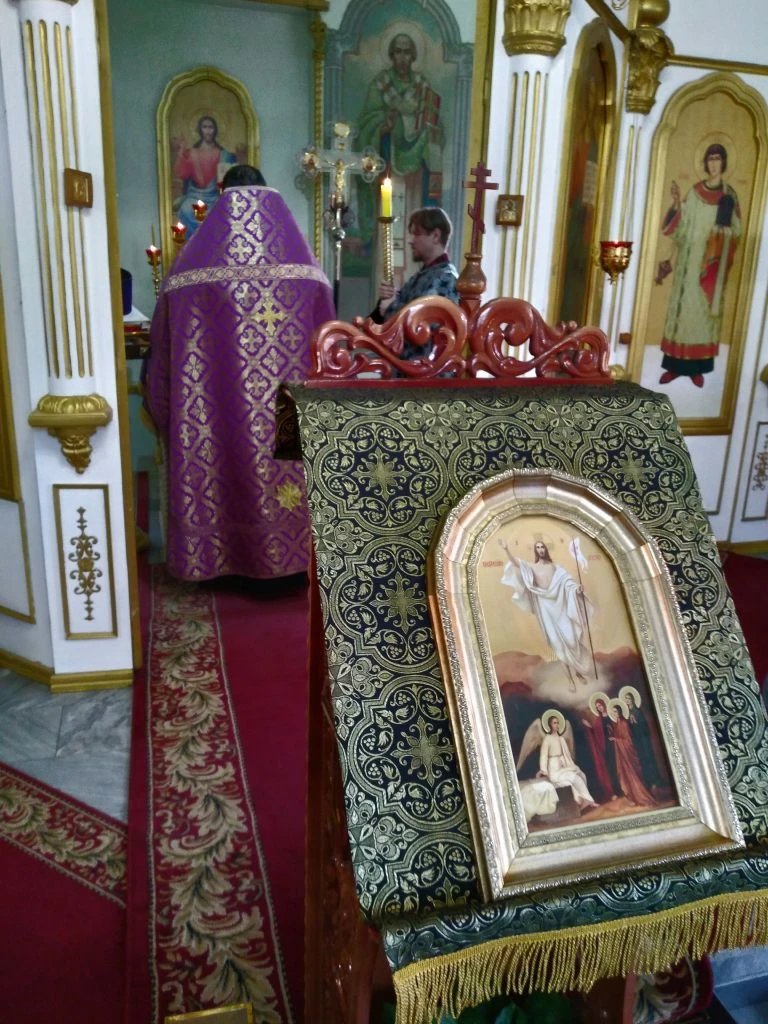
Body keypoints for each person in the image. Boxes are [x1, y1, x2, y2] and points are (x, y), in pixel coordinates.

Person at [144, 174, 335, 582]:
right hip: (290, 410)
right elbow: (332, 354)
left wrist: (162, 409)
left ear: (221, 197)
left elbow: (161, 364)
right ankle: (295, 559)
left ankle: (221, 558)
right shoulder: (308, 272)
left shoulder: (188, 274)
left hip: (218, 419)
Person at [658, 142, 742, 388]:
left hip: (711, 266)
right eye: (710, 159)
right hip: (688, 265)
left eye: (718, 159)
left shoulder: (729, 195)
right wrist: (676, 204)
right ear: (705, 163)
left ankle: (697, 369)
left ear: (723, 163)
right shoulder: (694, 193)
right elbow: (680, 228)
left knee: (703, 317)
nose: (714, 164)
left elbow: (737, 231)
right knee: (683, 313)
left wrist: (721, 233)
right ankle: (674, 367)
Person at [357, 32, 444, 223]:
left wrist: (429, 126)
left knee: (414, 207)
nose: (402, 57)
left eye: (407, 52)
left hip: (417, 168)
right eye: (398, 52)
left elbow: (435, 120)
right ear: (391, 55)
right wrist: (385, 125)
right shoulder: (381, 84)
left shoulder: (422, 85)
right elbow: (367, 122)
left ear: (413, 56)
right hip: (389, 156)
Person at [499, 538, 594, 690]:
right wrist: (506, 549)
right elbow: (517, 563)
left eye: (542, 547)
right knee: (558, 645)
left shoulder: (555, 567)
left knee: (571, 641)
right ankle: (570, 680)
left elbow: (568, 583)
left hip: (560, 607)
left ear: (546, 549)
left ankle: (578, 672)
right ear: (535, 551)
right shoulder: (532, 567)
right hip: (546, 609)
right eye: (537, 548)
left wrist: (577, 589)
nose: (540, 550)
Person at [371, 205, 459, 323]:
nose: (410, 240)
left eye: (417, 234)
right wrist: (389, 296)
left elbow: (426, 324)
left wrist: (390, 307)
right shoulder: (422, 275)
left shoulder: (446, 278)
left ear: (436, 236)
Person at [172, 115, 240, 238]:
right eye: (205, 127)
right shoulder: (191, 153)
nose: (208, 131)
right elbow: (181, 174)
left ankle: (215, 245)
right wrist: (181, 153)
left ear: (215, 130)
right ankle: (193, 245)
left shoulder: (224, 154)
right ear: (200, 129)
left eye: (210, 127)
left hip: (215, 196)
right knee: (186, 209)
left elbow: (231, 178)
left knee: (225, 211)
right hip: (195, 195)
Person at [538, 712, 598, 812]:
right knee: (574, 778)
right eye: (554, 723)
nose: (557, 725)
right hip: (554, 769)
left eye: (557, 723)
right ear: (550, 725)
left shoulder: (561, 738)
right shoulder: (547, 739)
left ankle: (583, 802)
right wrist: (543, 770)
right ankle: (589, 801)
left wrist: (567, 764)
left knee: (582, 775)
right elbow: (543, 755)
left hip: (564, 765)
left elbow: (566, 755)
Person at [607, 700, 655, 806]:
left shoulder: (624, 723)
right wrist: (613, 735)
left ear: (620, 711)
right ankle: (633, 798)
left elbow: (629, 741)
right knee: (625, 776)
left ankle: (641, 797)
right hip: (622, 756)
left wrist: (616, 740)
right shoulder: (616, 724)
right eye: (613, 712)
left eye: (616, 711)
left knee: (633, 775)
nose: (615, 713)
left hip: (628, 755)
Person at [582, 693, 620, 803]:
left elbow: (619, 727)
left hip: (616, 745)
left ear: (604, 704)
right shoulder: (598, 720)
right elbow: (596, 733)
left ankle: (625, 788)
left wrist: (616, 738)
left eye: (600, 705)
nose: (599, 708)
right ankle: (616, 791)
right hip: (607, 747)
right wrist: (589, 727)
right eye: (597, 707)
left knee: (619, 766)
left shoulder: (612, 715)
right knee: (611, 769)